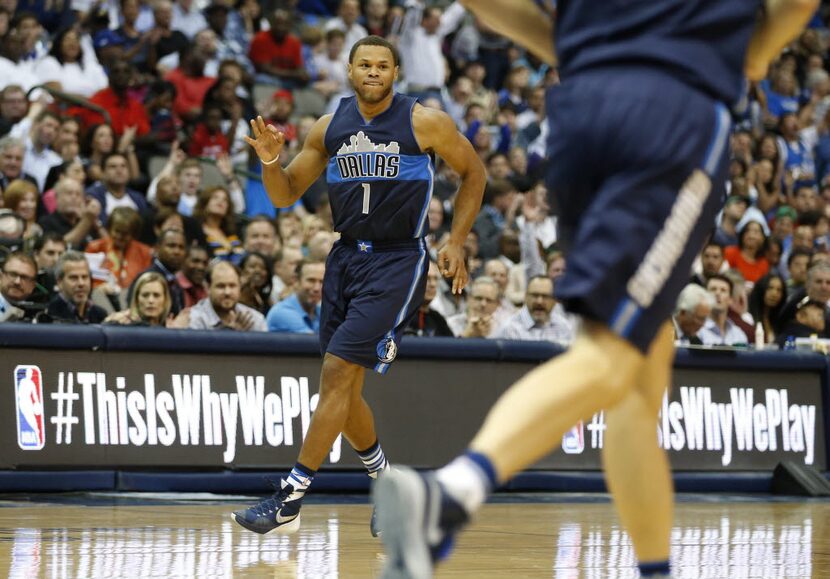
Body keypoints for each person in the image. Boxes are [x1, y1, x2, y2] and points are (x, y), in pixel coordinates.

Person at [373, 1, 818, 578]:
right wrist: (752, 52)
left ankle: (655, 568)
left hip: (581, 114)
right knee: (611, 356)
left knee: (640, 371)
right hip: (672, 113)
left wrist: (584, 47)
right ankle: (452, 493)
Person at [233, 35, 485, 536]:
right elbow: (285, 195)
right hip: (345, 258)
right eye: (364, 64)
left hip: (398, 261)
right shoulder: (330, 127)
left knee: (336, 371)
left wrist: (456, 241)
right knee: (344, 391)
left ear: (396, 73)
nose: (373, 72)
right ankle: (391, 487)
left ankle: (290, 496)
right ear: (349, 72)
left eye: (383, 65)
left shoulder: (425, 121)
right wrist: (268, 162)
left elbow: (473, 173)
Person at [186, 260, 267, 331]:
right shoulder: (193, 319)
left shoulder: (254, 319)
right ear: (208, 288)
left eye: (232, 286)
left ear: (240, 287)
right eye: (221, 286)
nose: (227, 292)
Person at [46, 251, 108, 324]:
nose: (81, 283)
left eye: (84, 277)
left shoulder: (100, 315)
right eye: (74, 278)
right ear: (59, 282)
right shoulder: (50, 315)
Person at [266, 259, 324, 333]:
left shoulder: (321, 312)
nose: (317, 288)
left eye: (322, 282)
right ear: (296, 281)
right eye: (311, 280)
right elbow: (314, 343)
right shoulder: (282, 313)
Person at [104, 271, 173, 327]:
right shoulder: (122, 325)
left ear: (165, 300)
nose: (151, 300)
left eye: (156, 295)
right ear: (137, 299)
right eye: (145, 295)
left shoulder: (172, 328)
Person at [0, 251, 38, 322]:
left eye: (25, 277)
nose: (17, 282)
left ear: (33, 286)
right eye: (13, 274)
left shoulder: (37, 314)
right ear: (1, 277)